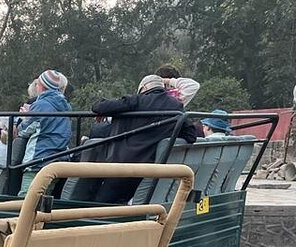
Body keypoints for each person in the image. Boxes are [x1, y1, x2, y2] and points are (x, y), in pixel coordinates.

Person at [91, 74, 198, 204]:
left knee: (100, 205)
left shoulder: (136, 101)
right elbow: (191, 135)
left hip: (123, 167)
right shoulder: (176, 107)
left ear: (144, 88)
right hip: (152, 169)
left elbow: (98, 107)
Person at [17, 69, 73, 195]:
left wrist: (23, 118)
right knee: (44, 200)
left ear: (41, 86)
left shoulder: (41, 105)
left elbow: (23, 130)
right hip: (57, 161)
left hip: (38, 160)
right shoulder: (66, 107)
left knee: (26, 199)